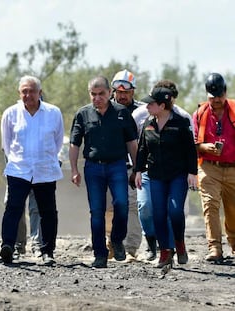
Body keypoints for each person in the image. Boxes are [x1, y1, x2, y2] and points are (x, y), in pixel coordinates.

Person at [69, 76, 138, 269]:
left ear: (109, 93)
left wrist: (137, 169)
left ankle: (117, 239)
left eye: (101, 94)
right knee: (97, 211)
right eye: (93, 94)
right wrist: (74, 169)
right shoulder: (83, 114)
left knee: (122, 204)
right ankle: (100, 253)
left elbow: (132, 143)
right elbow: (74, 144)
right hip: (93, 167)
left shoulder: (122, 113)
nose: (97, 98)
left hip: (117, 165)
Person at [0, 75, 64, 265]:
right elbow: (7, 143)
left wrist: (47, 157)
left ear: (40, 93)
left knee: (48, 211)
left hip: (44, 169)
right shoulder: (10, 113)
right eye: (24, 91)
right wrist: (18, 160)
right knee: (13, 208)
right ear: (19, 93)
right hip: (19, 168)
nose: (28, 95)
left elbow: (58, 141)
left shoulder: (53, 112)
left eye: (32, 91)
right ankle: (8, 246)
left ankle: (47, 251)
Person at [134, 87, 198, 269]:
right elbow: (142, 149)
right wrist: (138, 171)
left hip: (177, 175)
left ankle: (179, 243)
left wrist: (192, 173)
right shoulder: (148, 123)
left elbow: (190, 151)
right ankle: (165, 252)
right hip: (155, 176)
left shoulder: (181, 123)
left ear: (162, 105)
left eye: (151, 103)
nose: (147, 106)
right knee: (159, 214)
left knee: (175, 211)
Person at [192, 72, 235, 262]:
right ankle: (215, 247)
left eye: (219, 95)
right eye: (212, 96)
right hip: (209, 167)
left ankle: (234, 244)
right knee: (210, 205)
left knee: (233, 210)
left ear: (225, 93)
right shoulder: (200, 113)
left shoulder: (234, 109)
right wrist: (204, 147)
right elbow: (191, 144)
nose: (216, 100)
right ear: (207, 93)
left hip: (233, 168)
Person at [105, 69, 142, 262]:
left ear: (133, 91)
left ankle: (130, 247)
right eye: (119, 92)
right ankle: (110, 246)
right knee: (109, 207)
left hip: (132, 167)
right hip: (109, 165)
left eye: (126, 92)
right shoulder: (104, 109)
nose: (122, 95)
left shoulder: (143, 111)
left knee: (132, 206)